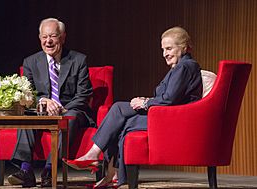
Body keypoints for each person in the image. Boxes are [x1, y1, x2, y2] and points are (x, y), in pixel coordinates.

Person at [64, 26, 203, 188]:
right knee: (121, 119)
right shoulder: (181, 67)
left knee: (119, 112)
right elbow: (171, 97)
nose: (165, 53)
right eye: (163, 49)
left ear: (184, 48)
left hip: (173, 119)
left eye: (169, 48)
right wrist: (148, 100)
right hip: (167, 114)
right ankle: (113, 174)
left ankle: (99, 160)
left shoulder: (185, 67)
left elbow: (170, 99)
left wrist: (145, 103)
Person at [7, 18, 95, 187]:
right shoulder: (30, 62)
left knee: (71, 117)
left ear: (62, 37)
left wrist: (61, 108)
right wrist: (42, 102)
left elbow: (84, 95)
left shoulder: (78, 60)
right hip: (41, 111)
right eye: (44, 37)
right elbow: (27, 94)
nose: (48, 41)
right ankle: (25, 171)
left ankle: (50, 169)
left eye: (53, 36)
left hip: (71, 110)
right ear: (40, 38)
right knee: (26, 116)